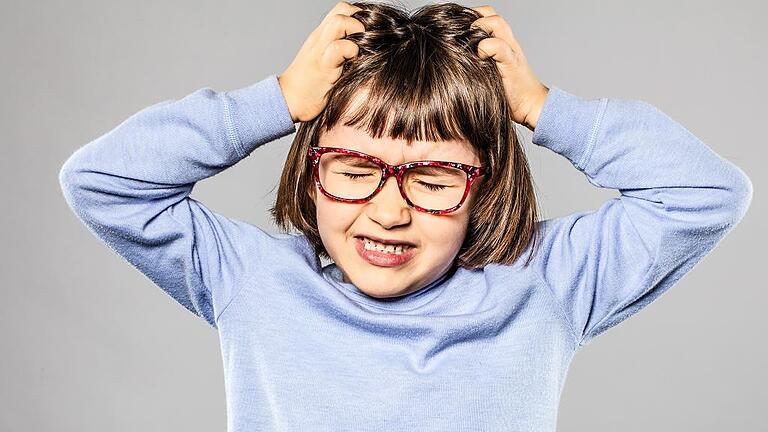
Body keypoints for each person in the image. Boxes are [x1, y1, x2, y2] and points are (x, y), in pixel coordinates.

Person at [58, 1, 752, 431]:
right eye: (355, 171)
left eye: (433, 179)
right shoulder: (254, 280)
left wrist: (543, 107)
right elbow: (101, 181)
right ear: (312, 168)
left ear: (484, 185)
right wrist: (276, 101)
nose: (387, 212)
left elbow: (705, 193)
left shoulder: (545, 285)